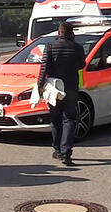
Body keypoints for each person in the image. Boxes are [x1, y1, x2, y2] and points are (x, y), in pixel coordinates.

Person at [36, 21, 86, 166]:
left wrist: (40, 86)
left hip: (54, 88)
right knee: (69, 119)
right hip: (70, 87)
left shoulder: (50, 46)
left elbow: (44, 67)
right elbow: (82, 65)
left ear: (59, 33)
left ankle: (57, 149)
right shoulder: (78, 47)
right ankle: (66, 152)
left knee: (55, 119)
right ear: (72, 33)